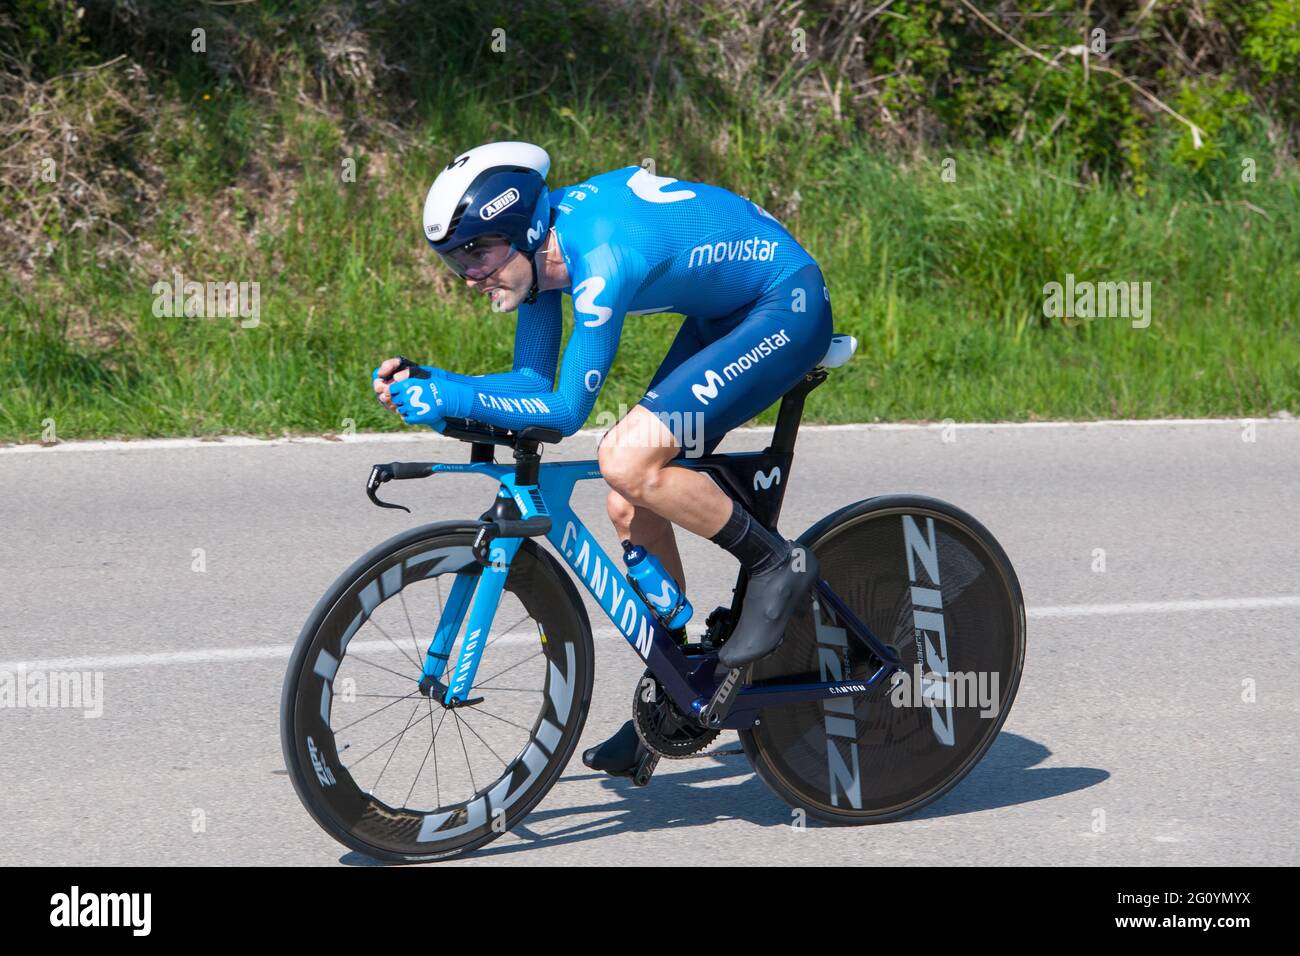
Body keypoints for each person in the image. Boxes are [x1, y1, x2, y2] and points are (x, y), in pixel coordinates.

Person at [373, 141, 832, 777]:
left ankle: (778, 564)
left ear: (522, 229)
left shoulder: (600, 258)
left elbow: (564, 413)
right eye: (456, 261)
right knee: (627, 497)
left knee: (625, 458)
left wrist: (446, 397)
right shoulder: (538, 256)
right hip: (727, 315)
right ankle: (681, 687)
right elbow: (531, 382)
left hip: (784, 304)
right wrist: (440, 384)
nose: (470, 275)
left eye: (478, 253)